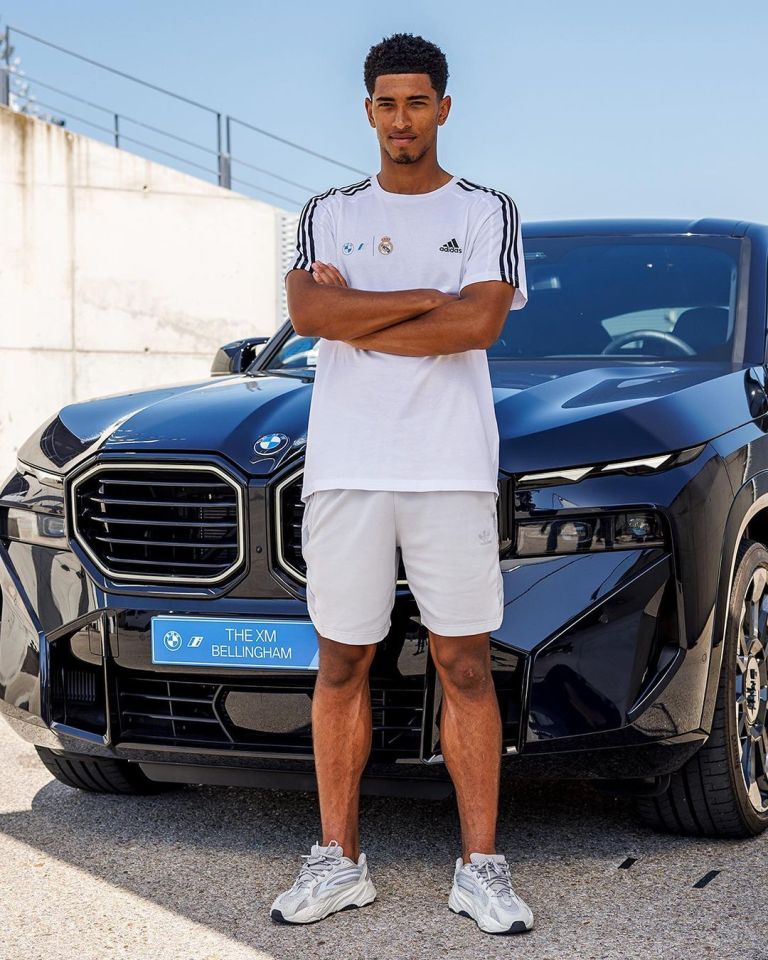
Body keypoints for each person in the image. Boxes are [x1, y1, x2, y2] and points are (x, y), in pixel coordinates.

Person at [270, 32, 532, 936]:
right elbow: (309, 313)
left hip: (450, 468)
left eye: (417, 102)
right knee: (342, 659)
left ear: (444, 109)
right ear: (369, 111)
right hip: (347, 469)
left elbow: (480, 325)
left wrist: (361, 314)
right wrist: (429, 296)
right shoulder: (325, 211)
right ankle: (338, 861)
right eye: (386, 103)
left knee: (464, 662)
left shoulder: (488, 208)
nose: (401, 119)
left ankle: (482, 867)